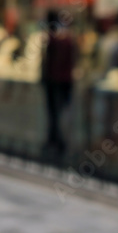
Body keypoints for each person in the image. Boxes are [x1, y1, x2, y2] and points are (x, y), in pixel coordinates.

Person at [40, 10, 77, 160]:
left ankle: (56, 141)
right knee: (61, 112)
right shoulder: (68, 39)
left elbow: (47, 63)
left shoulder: (52, 40)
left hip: (54, 81)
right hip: (65, 81)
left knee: (54, 113)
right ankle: (58, 141)